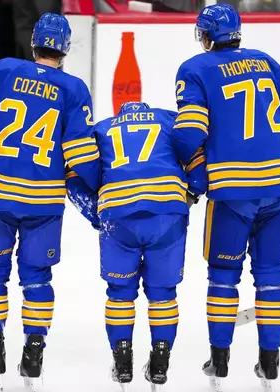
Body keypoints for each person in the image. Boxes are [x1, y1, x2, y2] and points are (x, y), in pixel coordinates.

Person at [171, 4, 280, 390]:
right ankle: (269, 362)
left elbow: (189, 133)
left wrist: (193, 173)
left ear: (206, 36)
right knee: (273, 276)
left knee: (223, 276)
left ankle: (220, 361)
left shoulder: (194, 69)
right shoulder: (266, 62)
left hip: (233, 194)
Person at [0, 12, 100, 388]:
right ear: (64, 49)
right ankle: (34, 352)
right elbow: (82, 158)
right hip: (43, 205)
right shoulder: (74, 89)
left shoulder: (3, 70)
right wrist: (99, 190)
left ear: (33, 42)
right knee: (37, 280)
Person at [66, 101, 206, 390]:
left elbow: (74, 176)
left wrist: (98, 212)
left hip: (119, 215)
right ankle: (160, 360)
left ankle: (122, 359)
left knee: (119, 293)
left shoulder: (102, 129)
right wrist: (191, 193)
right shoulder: (169, 120)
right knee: (163, 294)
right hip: (167, 213)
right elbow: (198, 158)